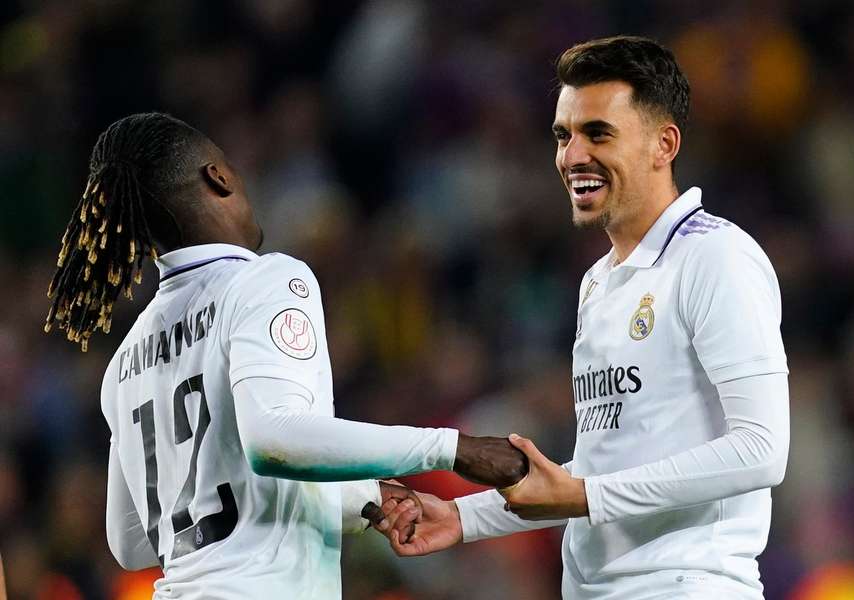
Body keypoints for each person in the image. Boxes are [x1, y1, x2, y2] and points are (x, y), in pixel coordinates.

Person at [44, 112, 527, 599]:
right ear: (219, 174)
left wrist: (365, 495)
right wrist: (452, 449)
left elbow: (132, 542)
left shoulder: (125, 359)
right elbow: (273, 438)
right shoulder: (263, 279)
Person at [376, 35, 790, 600]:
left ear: (663, 144)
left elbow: (761, 449)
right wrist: (463, 517)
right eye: (563, 135)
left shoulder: (715, 256)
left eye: (598, 133)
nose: (573, 156)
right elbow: (604, 469)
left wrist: (586, 496)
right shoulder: (599, 282)